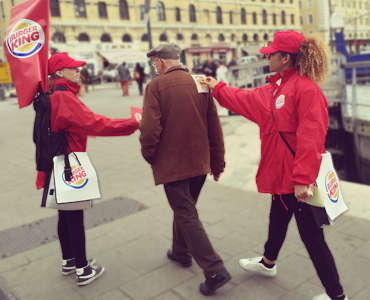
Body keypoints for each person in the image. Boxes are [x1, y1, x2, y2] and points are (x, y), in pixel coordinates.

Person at [201, 31, 347, 300]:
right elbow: (244, 99)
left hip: (297, 180)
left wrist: (302, 179)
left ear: (285, 57)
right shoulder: (274, 88)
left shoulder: (306, 90)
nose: (266, 56)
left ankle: (337, 295)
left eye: (271, 53)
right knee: (277, 220)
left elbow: (311, 136)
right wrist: (216, 87)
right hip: (280, 176)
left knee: (313, 239)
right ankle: (268, 263)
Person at [139, 43, 231, 296]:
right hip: (199, 161)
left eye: (153, 63)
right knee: (185, 207)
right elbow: (215, 126)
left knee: (186, 212)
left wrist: (150, 155)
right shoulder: (200, 83)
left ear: (159, 62)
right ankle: (181, 252)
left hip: (173, 163)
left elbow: (149, 129)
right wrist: (217, 162)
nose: (154, 67)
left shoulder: (155, 87)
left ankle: (214, 269)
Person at [39, 52, 138, 286]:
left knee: (65, 214)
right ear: (59, 73)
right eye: (72, 68)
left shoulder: (52, 94)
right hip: (70, 164)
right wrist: (133, 123)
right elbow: (96, 123)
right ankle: (83, 269)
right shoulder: (64, 98)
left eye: (78, 68)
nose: (78, 71)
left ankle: (69, 261)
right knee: (74, 216)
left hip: (57, 162)